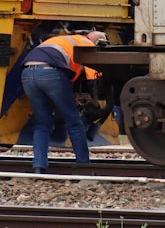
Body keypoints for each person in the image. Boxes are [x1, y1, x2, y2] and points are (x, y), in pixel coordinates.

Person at [20, 30, 105, 174]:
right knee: (73, 121)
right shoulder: (86, 43)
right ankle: (83, 165)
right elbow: (94, 76)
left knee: (42, 123)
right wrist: (96, 98)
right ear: (95, 41)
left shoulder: (61, 40)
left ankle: (39, 166)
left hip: (27, 73)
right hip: (50, 73)